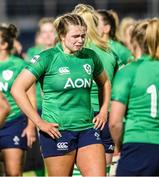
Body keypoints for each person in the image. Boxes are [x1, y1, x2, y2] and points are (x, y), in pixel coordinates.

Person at [11, 13, 110, 176]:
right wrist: (39, 122)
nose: (80, 40)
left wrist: (104, 110)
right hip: (57, 132)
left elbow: (105, 83)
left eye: (83, 36)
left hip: (87, 129)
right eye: (75, 36)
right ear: (62, 36)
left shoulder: (90, 56)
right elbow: (17, 89)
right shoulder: (47, 57)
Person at [109, 17, 159, 176]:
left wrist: (118, 146)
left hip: (141, 145)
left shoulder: (129, 71)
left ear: (133, 42)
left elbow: (115, 122)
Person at [73, 4, 118, 175]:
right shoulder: (110, 50)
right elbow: (114, 83)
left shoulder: (78, 52)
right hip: (106, 114)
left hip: (81, 114)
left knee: (78, 169)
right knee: (103, 171)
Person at [0, 24, 36, 176]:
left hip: (13, 123)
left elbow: (31, 96)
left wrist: (31, 126)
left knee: (13, 173)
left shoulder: (19, 65)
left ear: (4, 44)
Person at [24, 17, 56, 176]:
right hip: (37, 108)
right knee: (38, 149)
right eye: (44, 32)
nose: (48, 36)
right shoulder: (33, 53)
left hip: (56, 107)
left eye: (51, 31)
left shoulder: (63, 52)